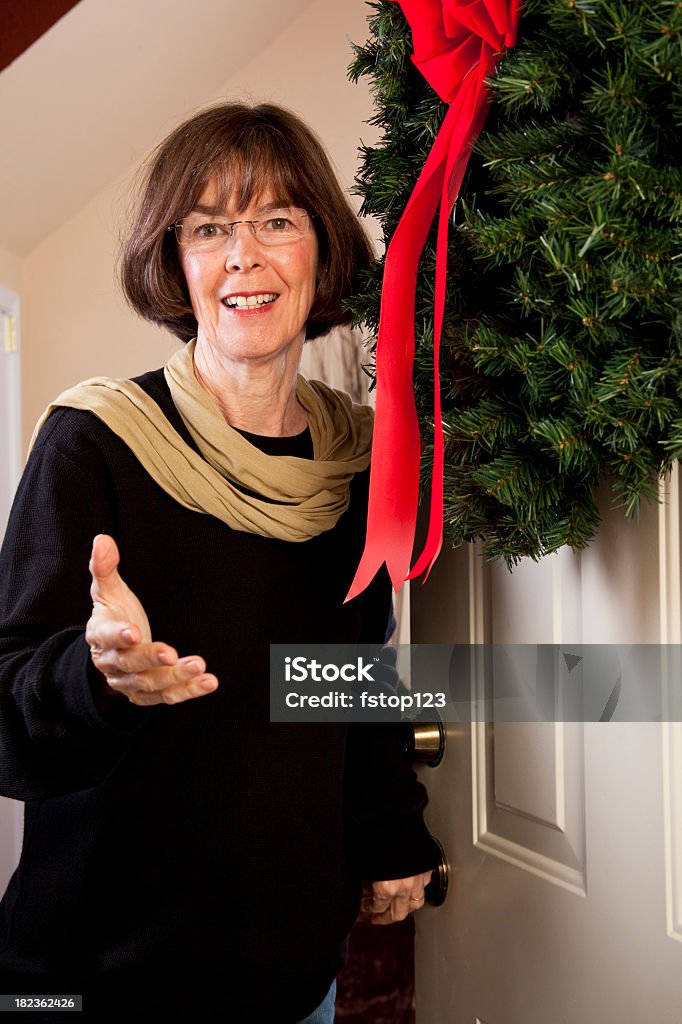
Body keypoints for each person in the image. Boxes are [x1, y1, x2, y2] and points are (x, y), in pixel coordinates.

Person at [0, 102, 436, 1022]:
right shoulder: (95, 443)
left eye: (276, 220)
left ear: (320, 251)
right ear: (177, 264)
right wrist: (97, 676)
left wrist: (393, 829)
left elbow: (350, 680)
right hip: (96, 977)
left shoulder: (356, 463)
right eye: (209, 229)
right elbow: (6, 705)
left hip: (290, 974)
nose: (243, 255)